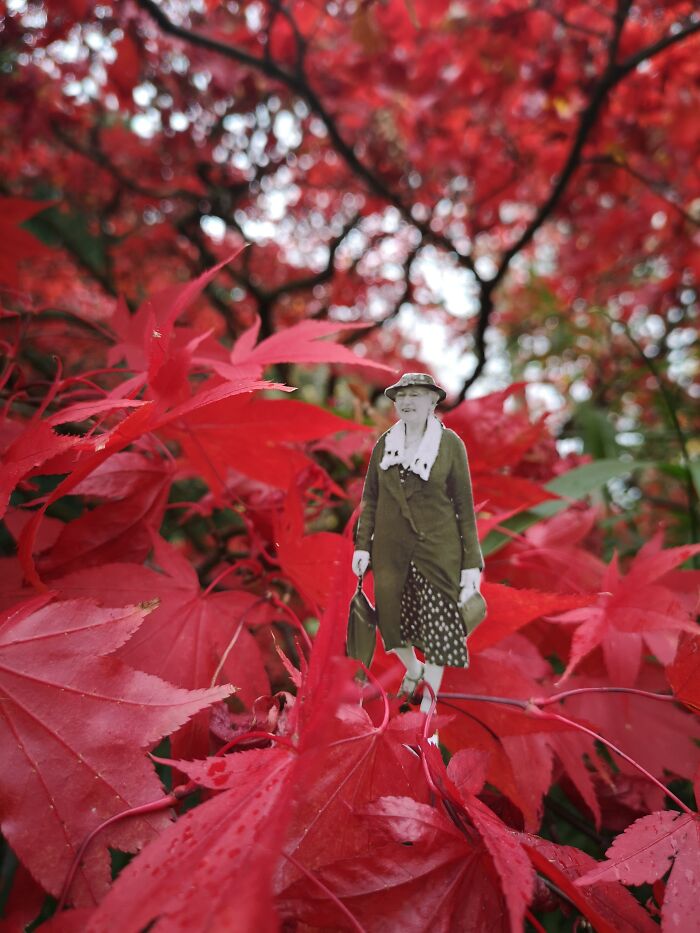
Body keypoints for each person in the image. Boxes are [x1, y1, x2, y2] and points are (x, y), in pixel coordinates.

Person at [351, 372, 485, 731]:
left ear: (432, 401)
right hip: (391, 551)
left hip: (437, 549)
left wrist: (472, 563)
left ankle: (429, 706)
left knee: (439, 624)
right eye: (402, 396)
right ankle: (413, 669)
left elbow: (464, 503)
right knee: (390, 623)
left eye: (416, 395)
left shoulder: (450, 445)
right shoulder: (385, 444)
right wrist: (362, 545)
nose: (408, 401)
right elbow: (371, 498)